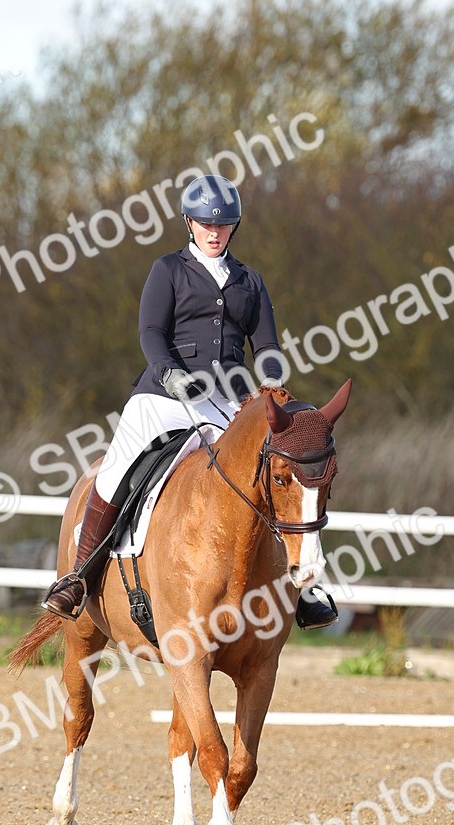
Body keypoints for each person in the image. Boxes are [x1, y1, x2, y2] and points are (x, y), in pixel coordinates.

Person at [42, 174, 338, 629]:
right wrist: (169, 373)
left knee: (270, 477)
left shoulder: (249, 281)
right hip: (163, 396)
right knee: (117, 469)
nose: (214, 233)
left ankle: (301, 588)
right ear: (189, 223)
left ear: (233, 228)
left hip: (227, 404)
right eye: (205, 224)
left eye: (222, 226)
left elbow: (267, 345)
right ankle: (79, 576)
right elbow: (151, 333)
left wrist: (273, 383)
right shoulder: (168, 270)